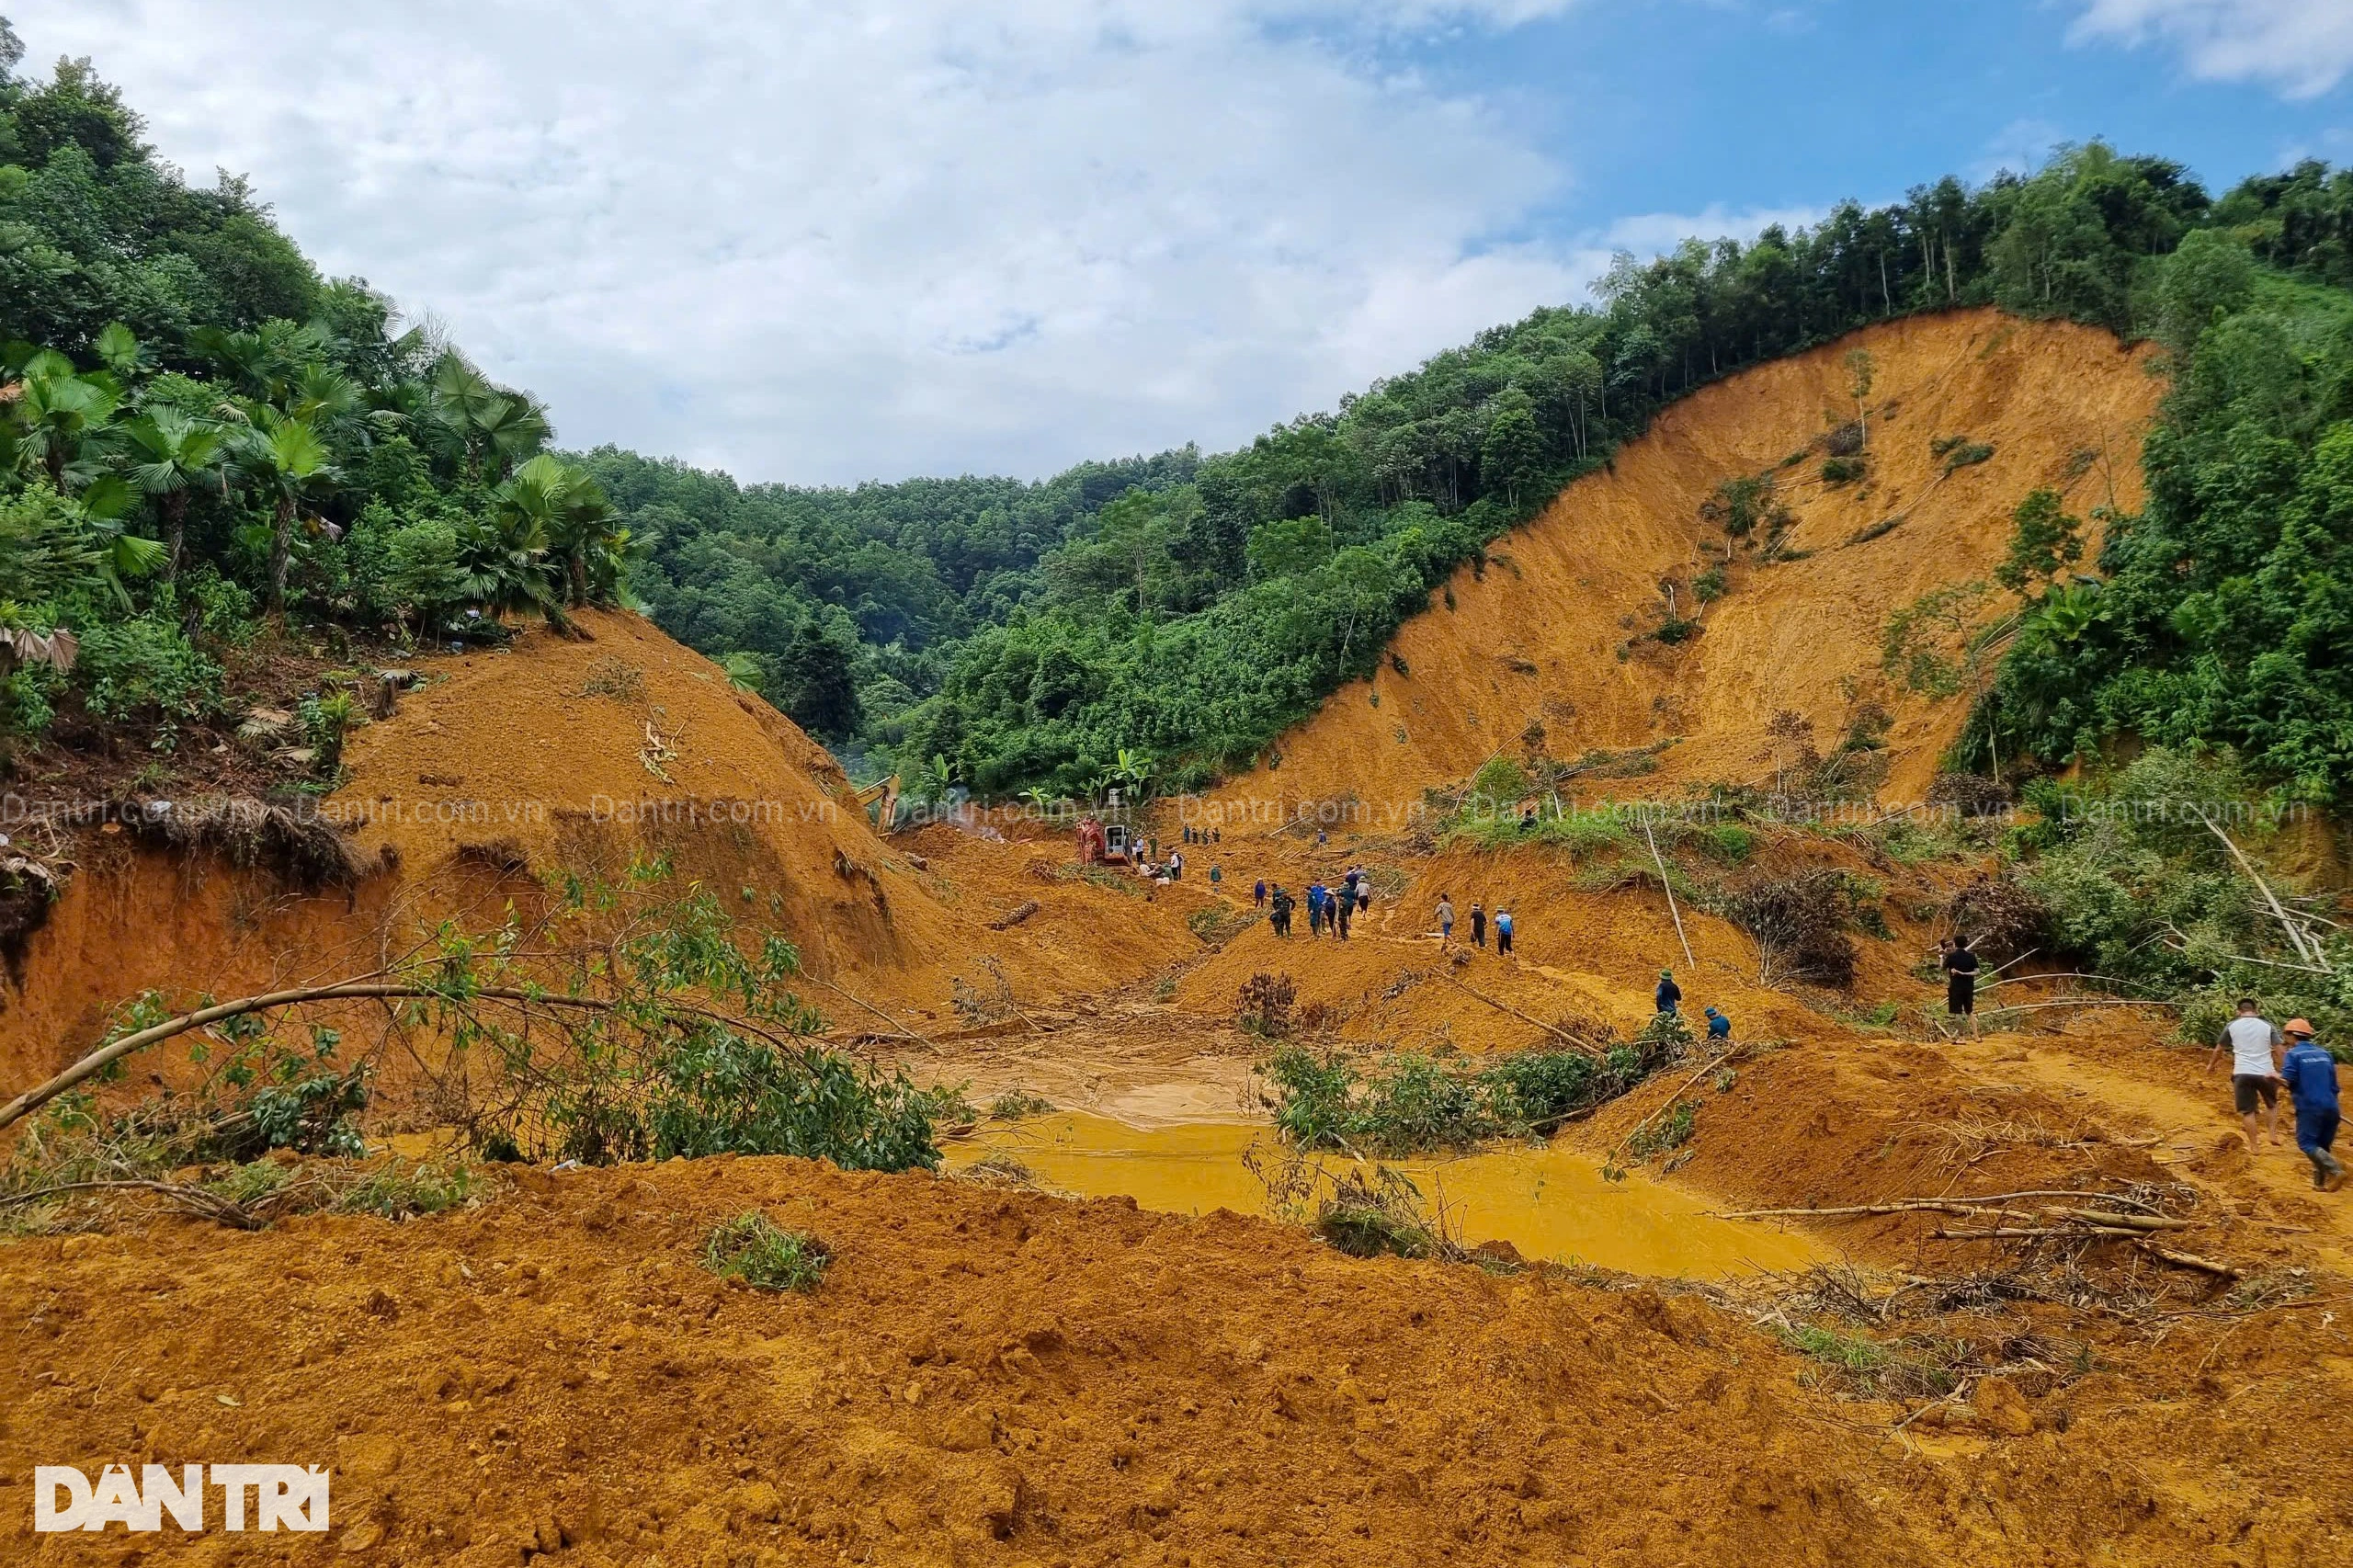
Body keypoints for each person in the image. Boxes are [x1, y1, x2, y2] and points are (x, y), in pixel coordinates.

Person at [2210, 997, 2284, 1153]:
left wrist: (2211, 1065)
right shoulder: (2267, 1026)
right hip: (2266, 1072)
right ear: (2256, 1011)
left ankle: (2254, 1146)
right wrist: (2286, 1071)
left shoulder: (2232, 1026)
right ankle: (2272, 1133)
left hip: (2242, 1072)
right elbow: (2280, 1050)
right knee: (2272, 1104)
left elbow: (2218, 1050)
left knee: (2248, 1111)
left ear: (2238, 1011)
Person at [2279, 1018, 2343, 1190]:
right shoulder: (2325, 1054)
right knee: (2322, 1145)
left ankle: (2336, 1171)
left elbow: (2287, 1080)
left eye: (2286, 1033)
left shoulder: (2294, 1055)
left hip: (2310, 1106)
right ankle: (2319, 1184)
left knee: (2306, 1143)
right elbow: (2334, 1086)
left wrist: (2272, 1078)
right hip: (2331, 1106)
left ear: (2292, 1036)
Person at [1942, 935, 1982, 1039]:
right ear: (1966, 944)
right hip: (1968, 988)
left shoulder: (1951, 956)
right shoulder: (1971, 956)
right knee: (1970, 1012)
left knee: (1958, 1013)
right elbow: (1977, 972)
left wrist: (1941, 956)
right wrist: (1965, 974)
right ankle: (1976, 1036)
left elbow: (1941, 968)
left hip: (1956, 988)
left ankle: (1961, 1038)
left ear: (1955, 944)